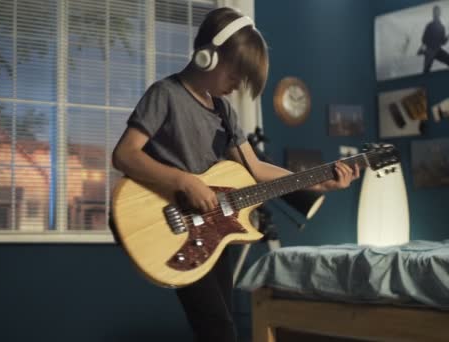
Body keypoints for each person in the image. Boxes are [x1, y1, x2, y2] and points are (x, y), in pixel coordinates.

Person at [111, 7, 359, 342]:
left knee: (220, 324)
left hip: (214, 229)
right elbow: (124, 154)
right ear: (207, 57)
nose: (237, 86)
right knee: (219, 330)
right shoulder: (165, 94)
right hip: (177, 228)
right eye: (234, 75)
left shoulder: (224, 111)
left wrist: (319, 181)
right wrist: (184, 181)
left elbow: (254, 168)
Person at [417, 5, 449, 73]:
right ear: (433, 14)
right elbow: (423, 39)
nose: (436, 14)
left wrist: (447, 37)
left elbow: (443, 42)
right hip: (430, 52)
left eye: (437, 12)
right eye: (435, 12)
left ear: (439, 13)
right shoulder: (429, 25)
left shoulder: (442, 27)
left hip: (437, 50)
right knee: (426, 71)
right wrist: (426, 49)